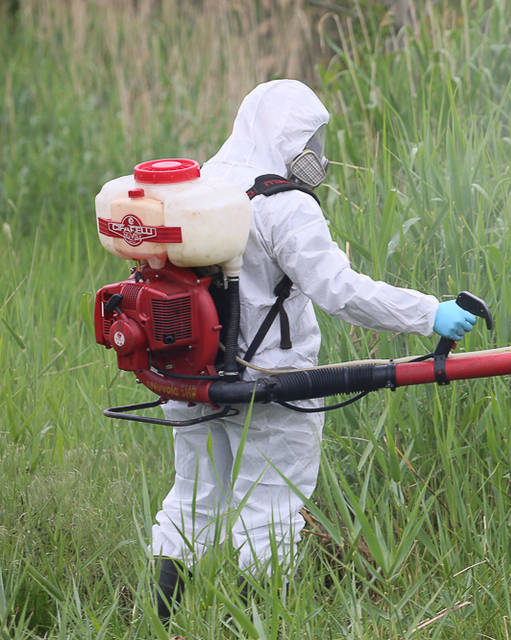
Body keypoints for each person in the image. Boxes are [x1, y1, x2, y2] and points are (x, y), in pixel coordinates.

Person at [149, 79, 477, 620]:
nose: (316, 153)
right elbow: (338, 290)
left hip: (186, 375)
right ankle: (262, 627)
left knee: (193, 498)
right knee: (270, 511)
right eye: (310, 137)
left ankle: (161, 623)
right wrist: (430, 313)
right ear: (288, 136)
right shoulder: (285, 206)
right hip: (271, 383)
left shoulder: (197, 186)